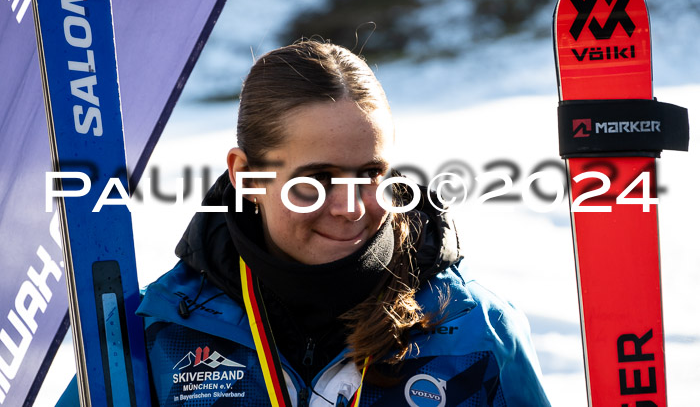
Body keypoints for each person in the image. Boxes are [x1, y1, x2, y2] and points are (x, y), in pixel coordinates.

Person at [137, 40, 552, 406]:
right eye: (318, 178)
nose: (350, 207)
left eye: (371, 173)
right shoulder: (157, 328)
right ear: (245, 175)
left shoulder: (475, 326)